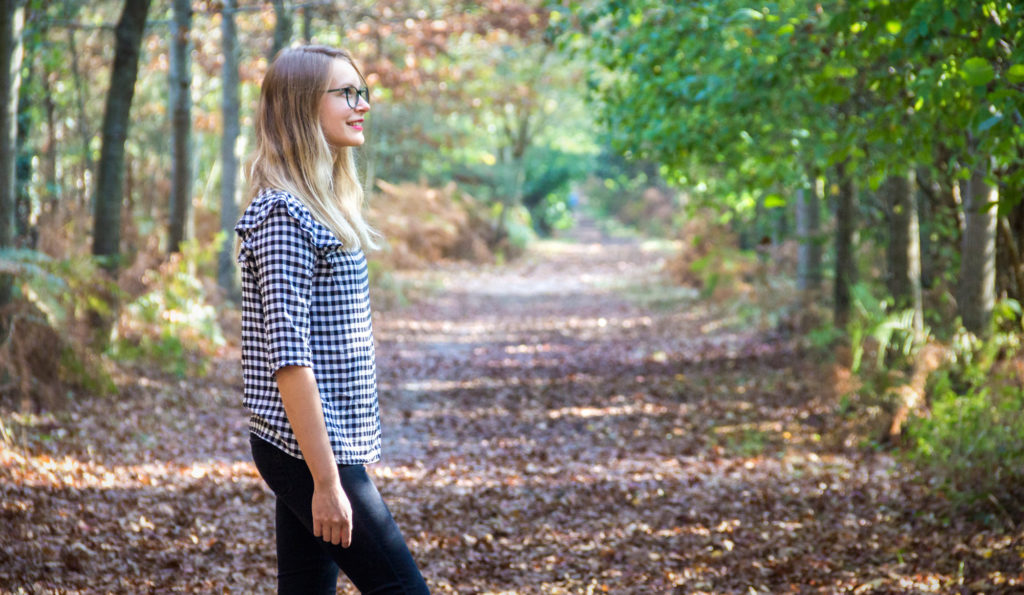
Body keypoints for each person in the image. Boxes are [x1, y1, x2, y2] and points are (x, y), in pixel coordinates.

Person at [235, 45, 429, 594]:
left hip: (322, 444)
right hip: (305, 449)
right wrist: (325, 480)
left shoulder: (317, 208)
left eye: (361, 91)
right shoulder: (282, 215)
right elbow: (289, 358)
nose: (362, 104)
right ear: (301, 105)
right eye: (346, 93)